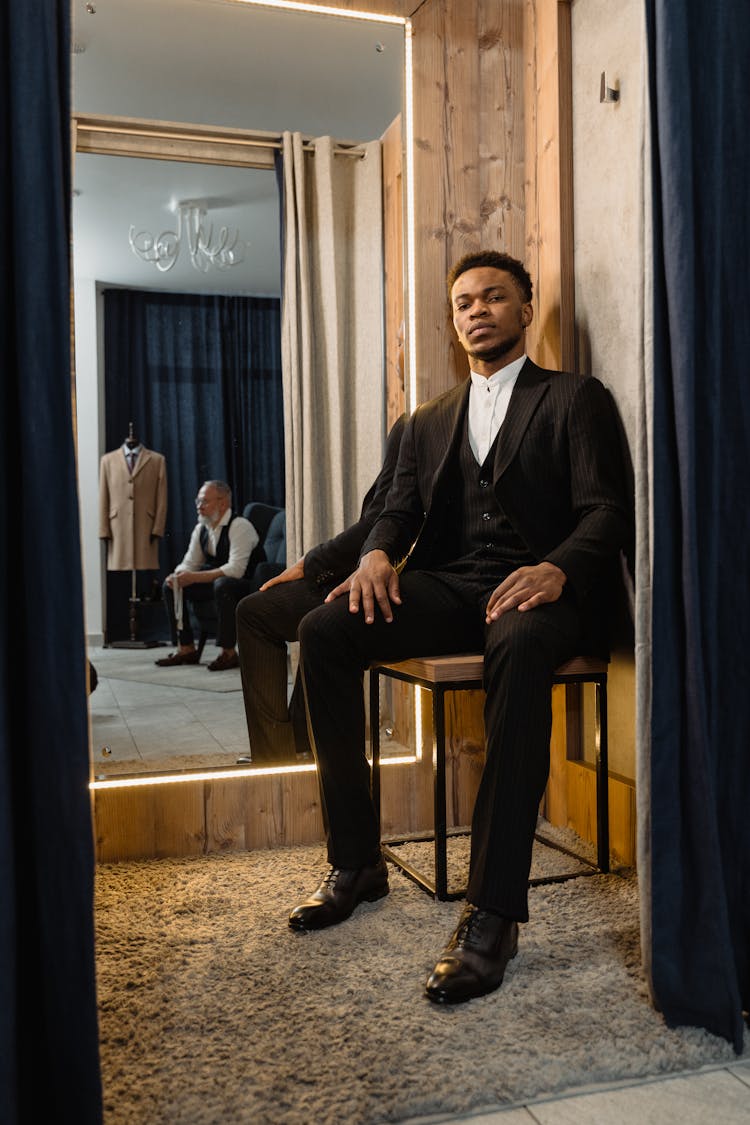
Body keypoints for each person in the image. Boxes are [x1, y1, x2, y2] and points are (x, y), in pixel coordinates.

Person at [288, 250, 632, 1006]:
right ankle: (357, 863)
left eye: (493, 297)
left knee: (516, 634)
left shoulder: (576, 398)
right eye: (464, 302)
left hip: (546, 597)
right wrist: (378, 553)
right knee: (324, 630)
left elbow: (607, 508)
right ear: (454, 320)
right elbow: (398, 510)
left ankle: (493, 911)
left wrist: (557, 569)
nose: (476, 310)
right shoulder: (427, 419)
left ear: (524, 309)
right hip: (455, 585)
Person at [235, 411, 406, 763]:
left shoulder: (419, 421)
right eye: (400, 348)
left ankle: (282, 756)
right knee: (271, 611)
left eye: (404, 348)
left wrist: (310, 565)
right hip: (376, 565)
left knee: (265, 615)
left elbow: (383, 520)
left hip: (396, 577)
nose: (402, 352)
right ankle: (292, 750)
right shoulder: (424, 418)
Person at [156, 480, 260, 672]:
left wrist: (194, 577)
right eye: (198, 501)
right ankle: (186, 647)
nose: (199, 506)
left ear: (222, 503)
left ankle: (228, 653)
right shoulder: (201, 528)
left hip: (248, 584)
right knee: (170, 585)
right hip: (219, 583)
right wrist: (177, 575)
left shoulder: (240, 526)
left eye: (204, 501)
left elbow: (236, 570)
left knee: (223, 584)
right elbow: (190, 562)